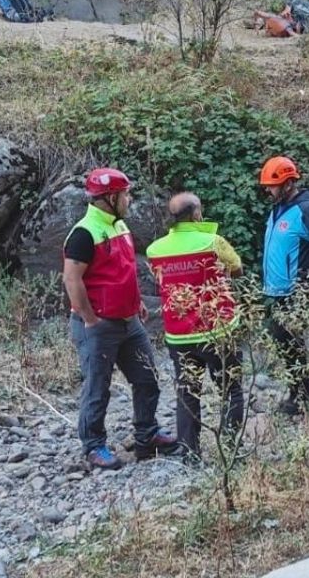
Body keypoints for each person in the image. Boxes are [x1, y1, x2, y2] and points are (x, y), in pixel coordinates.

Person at [63, 168, 181, 470]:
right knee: (97, 387)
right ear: (111, 197)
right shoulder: (83, 233)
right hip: (98, 325)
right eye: (126, 194)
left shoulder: (119, 226)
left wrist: (136, 301)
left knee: (147, 378)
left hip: (129, 321)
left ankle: (147, 434)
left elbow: (123, 271)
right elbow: (72, 280)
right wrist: (90, 319)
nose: (130, 199)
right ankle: (93, 445)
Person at [146, 193, 245, 460]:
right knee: (230, 389)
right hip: (218, 330)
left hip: (179, 335)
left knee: (187, 392)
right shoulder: (213, 242)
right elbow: (237, 268)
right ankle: (231, 450)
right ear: (196, 214)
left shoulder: (155, 250)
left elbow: (159, 282)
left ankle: (190, 452)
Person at [260, 156, 309, 416]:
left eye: (272, 185)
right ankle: (299, 393)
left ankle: (302, 398)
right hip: (279, 289)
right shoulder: (278, 208)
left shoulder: (306, 209)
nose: (267, 190)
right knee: (284, 342)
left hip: (299, 289)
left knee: (291, 342)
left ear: (287, 183)